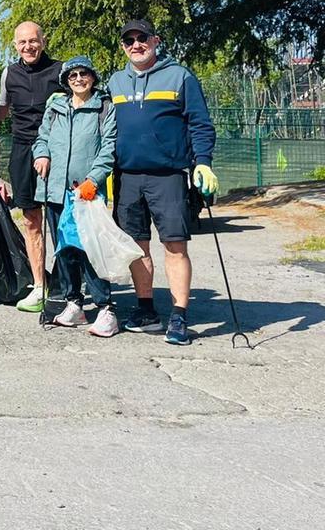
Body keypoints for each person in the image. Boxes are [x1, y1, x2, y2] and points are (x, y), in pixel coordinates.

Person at [107, 19, 217, 346]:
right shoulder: (115, 82)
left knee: (174, 245)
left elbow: (200, 124)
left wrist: (203, 164)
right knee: (136, 247)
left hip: (167, 175)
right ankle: (145, 310)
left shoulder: (180, 76)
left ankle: (179, 315)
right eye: (129, 40)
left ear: (155, 40)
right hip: (126, 177)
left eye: (142, 38)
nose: (136, 45)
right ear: (123, 46)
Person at [32, 55, 119, 337]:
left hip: (86, 192)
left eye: (84, 74)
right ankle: (74, 303)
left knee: (90, 251)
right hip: (56, 189)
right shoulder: (56, 107)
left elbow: (108, 147)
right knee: (64, 250)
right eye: (72, 76)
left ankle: (106, 308)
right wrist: (42, 154)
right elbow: (41, 138)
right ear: (66, 82)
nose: (79, 79)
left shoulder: (103, 107)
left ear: (93, 77)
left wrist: (94, 180)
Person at [0, 21, 64, 313]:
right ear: (15, 45)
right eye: (22, 42)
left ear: (44, 41)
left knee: (62, 224)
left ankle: (66, 286)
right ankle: (40, 286)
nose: (28, 47)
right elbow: (0, 111)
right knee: (31, 221)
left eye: (33, 41)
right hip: (23, 151)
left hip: (57, 152)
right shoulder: (9, 73)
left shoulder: (62, 71)